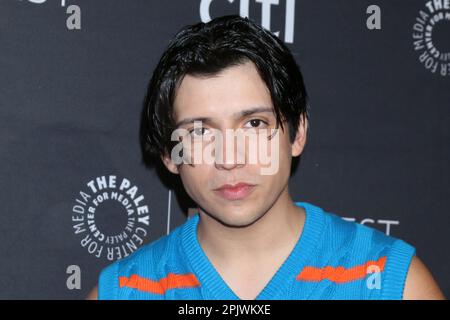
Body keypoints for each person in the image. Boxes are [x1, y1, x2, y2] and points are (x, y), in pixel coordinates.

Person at [87, 15, 444, 300]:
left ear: (298, 133)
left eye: (255, 123)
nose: (230, 158)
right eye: (199, 132)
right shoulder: (124, 292)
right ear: (169, 154)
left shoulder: (389, 284)